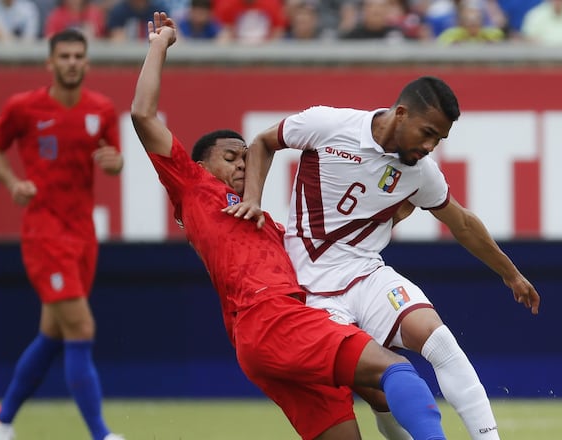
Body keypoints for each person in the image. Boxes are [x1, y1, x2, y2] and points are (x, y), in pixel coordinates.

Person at [132, 12, 448, 440]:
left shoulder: (270, 225)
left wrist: (387, 212)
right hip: (271, 319)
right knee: (396, 368)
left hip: (284, 328)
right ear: (201, 164)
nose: (243, 165)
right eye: (230, 158)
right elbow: (142, 115)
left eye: (246, 157)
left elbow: (329, 253)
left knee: (378, 392)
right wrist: (159, 44)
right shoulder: (195, 188)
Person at [227, 76, 542, 440]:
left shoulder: (422, 172)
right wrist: (252, 198)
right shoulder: (330, 125)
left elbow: (463, 223)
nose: (429, 146)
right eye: (426, 133)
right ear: (401, 113)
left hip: (366, 273)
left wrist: (511, 274)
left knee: (438, 339)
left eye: (438, 139)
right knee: (379, 390)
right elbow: (263, 141)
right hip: (309, 290)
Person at [0, 29, 124, 440]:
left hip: (82, 233)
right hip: (44, 231)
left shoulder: (102, 108)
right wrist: (12, 183)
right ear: (50, 62)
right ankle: (101, 434)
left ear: (88, 62)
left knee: (53, 333)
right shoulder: (24, 107)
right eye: (64, 56)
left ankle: (2, 419)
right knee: (81, 328)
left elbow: (114, 163)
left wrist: (115, 164)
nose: (72, 62)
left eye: (79, 55)